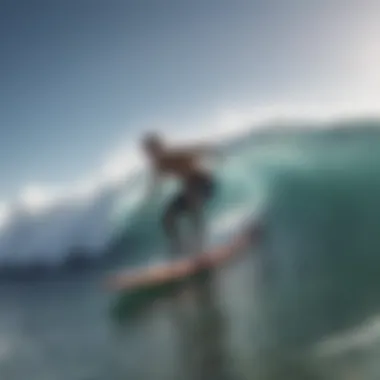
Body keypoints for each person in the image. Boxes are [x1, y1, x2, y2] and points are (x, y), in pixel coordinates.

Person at [142, 132, 220, 256]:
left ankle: (202, 246)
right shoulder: (157, 166)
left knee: (192, 201)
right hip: (189, 187)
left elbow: (197, 149)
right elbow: (155, 183)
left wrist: (211, 150)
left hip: (204, 182)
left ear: (159, 147)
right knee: (167, 217)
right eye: (149, 151)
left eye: (153, 149)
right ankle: (179, 248)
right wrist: (150, 196)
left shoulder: (175, 154)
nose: (151, 154)